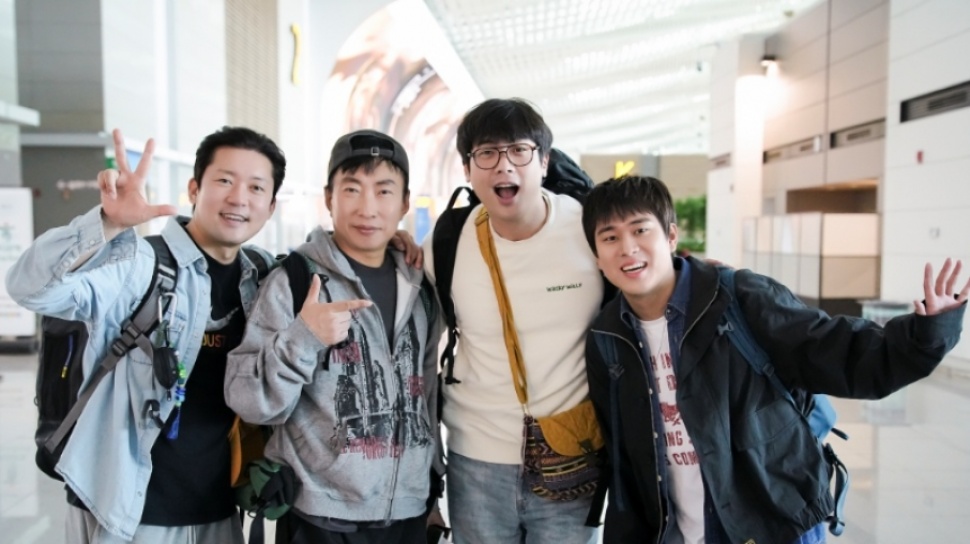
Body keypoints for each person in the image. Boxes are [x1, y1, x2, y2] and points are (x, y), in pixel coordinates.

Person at [580, 175, 968, 544]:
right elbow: (624, 459)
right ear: (597, 256)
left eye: (640, 230)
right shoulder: (607, 337)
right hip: (679, 531)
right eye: (610, 237)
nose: (627, 248)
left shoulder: (738, 297)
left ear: (670, 236)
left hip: (774, 521)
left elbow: (838, 351)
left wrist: (927, 332)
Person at [5, 126, 287, 543]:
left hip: (218, 513)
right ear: (194, 188)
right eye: (225, 180)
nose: (239, 198)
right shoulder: (141, 265)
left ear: (271, 205)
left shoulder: (262, 276)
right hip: (125, 515)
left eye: (256, 187)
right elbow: (28, 288)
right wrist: (106, 224)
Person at [224, 129, 442, 544]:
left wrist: (431, 486)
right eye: (352, 189)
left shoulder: (421, 288)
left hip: (408, 512)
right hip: (320, 517)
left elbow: (426, 396)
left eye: (383, 191)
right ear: (329, 198)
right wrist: (304, 338)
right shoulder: (294, 281)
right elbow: (248, 401)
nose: (367, 208)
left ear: (404, 203)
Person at [422, 98, 604, 543]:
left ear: (543, 162)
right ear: (467, 169)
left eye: (519, 150)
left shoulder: (592, 229)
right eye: (487, 153)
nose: (504, 165)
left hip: (574, 455)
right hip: (476, 461)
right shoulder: (446, 243)